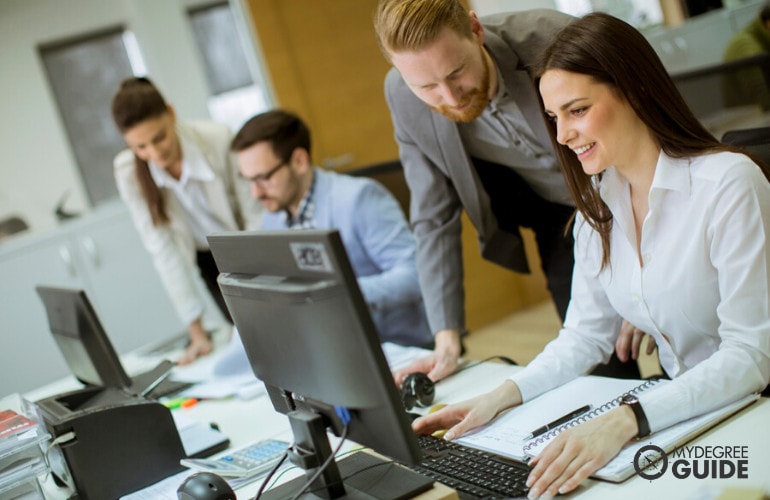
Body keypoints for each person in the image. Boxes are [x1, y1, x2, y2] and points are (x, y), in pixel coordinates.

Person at [413, 12, 770, 498]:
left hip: (753, 410)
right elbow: (584, 335)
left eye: (577, 111)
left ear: (635, 91)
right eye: (554, 118)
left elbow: (751, 354)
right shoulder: (597, 206)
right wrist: (498, 398)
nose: (562, 136)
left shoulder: (727, 184)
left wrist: (629, 419)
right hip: (688, 413)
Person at [374, 0, 643, 383]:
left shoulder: (553, 41)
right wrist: (446, 340)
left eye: (456, 73)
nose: (450, 98)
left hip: (636, 193)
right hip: (560, 217)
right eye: (428, 87)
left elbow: (643, 138)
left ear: (476, 30)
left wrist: (641, 276)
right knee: (601, 364)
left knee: (675, 332)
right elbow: (433, 217)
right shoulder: (403, 96)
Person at [230, 109, 432, 347]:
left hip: (395, 346)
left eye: (264, 178)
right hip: (330, 350)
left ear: (299, 161)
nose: (256, 193)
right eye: (248, 180)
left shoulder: (358, 198)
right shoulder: (273, 218)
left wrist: (339, 293)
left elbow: (417, 275)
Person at [111, 77, 262, 365]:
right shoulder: (129, 172)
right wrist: (196, 332)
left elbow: (254, 214)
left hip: (244, 245)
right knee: (246, 342)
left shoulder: (217, 139)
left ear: (171, 113)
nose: (154, 154)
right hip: (207, 260)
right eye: (141, 147)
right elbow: (163, 250)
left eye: (159, 138)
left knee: (270, 328)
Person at [722, 1, 770, 110]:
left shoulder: (763, 39)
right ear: (768, 23)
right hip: (746, 119)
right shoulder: (746, 46)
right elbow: (764, 99)